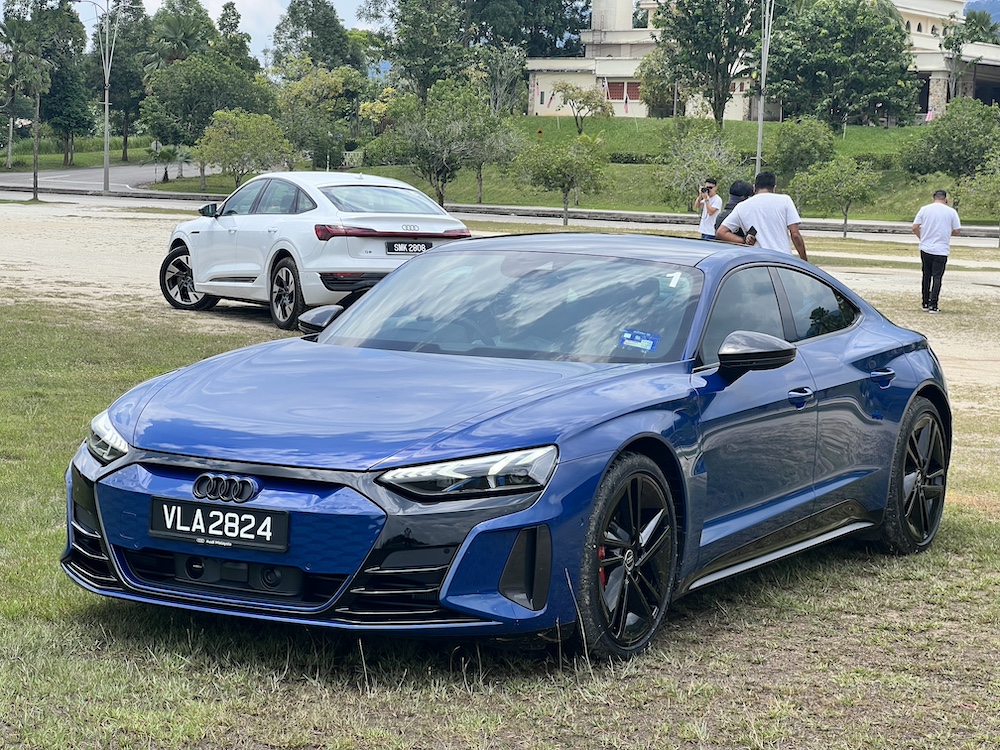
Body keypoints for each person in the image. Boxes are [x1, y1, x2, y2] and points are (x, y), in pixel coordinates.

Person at [716, 171, 808, 261]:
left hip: (757, 262)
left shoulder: (742, 206)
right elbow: (795, 235)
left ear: (754, 188)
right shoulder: (785, 201)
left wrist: (743, 241)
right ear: (774, 188)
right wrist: (804, 260)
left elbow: (721, 233)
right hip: (782, 260)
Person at [912, 190, 960, 313]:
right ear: (946, 199)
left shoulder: (924, 209)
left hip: (926, 247)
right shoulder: (951, 212)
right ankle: (934, 305)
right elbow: (957, 230)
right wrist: (946, 233)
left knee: (926, 275)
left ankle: (925, 302)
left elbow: (915, 227)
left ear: (933, 198)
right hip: (941, 249)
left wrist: (922, 237)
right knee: (937, 277)